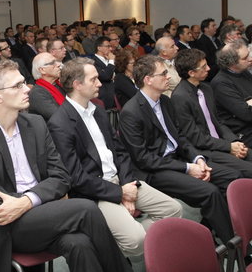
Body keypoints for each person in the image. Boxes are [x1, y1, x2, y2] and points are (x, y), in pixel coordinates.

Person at [0, 60, 132, 272]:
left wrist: (27, 200)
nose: (27, 90)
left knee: (80, 244)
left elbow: (61, 177)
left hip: (42, 212)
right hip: (6, 227)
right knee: (86, 209)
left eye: (24, 82)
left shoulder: (36, 124)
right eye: (18, 86)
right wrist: (32, 201)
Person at [48, 58, 181, 257]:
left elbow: (121, 152)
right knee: (136, 240)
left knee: (173, 210)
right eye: (93, 80)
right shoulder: (60, 123)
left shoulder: (98, 111)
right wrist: (119, 193)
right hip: (97, 192)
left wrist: (127, 187)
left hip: (123, 181)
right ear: (77, 85)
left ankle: (114, 240)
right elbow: (77, 177)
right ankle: (105, 248)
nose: (100, 83)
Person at [119, 55, 240, 244]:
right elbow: (143, 158)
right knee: (209, 192)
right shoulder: (131, 112)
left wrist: (197, 158)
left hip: (177, 159)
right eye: (164, 73)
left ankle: (209, 230)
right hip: (155, 170)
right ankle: (233, 246)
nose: (169, 77)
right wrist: (187, 168)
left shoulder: (165, 102)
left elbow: (180, 137)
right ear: (148, 80)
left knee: (230, 177)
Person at [172, 48, 252, 177]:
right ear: (191, 73)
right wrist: (228, 147)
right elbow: (196, 138)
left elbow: (218, 121)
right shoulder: (180, 97)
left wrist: (234, 142)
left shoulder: (206, 88)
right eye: (203, 67)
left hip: (221, 142)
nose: (208, 68)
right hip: (207, 150)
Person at [211, 40, 252, 148]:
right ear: (232, 63)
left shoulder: (243, 71)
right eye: (245, 58)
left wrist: (249, 102)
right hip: (244, 133)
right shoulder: (221, 83)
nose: (250, 59)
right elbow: (247, 114)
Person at [28, 52, 64, 121]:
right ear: (42, 70)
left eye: (57, 61)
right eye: (53, 63)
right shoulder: (37, 93)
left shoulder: (59, 84)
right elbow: (59, 116)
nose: (59, 64)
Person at [91, 36, 116, 109]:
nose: (110, 49)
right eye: (107, 46)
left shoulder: (109, 59)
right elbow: (105, 76)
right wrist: (111, 61)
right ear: (99, 48)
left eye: (110, 46)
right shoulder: (93, 62)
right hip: (104, 97)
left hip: (114, 95)